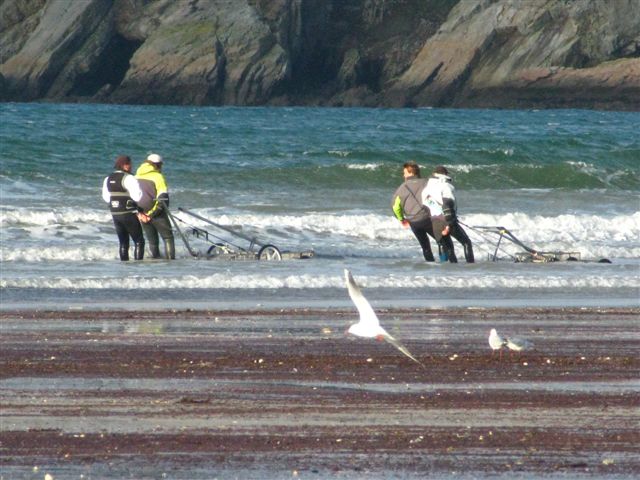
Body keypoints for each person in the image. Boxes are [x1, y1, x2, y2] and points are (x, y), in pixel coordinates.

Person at [422, 165, 474, 263]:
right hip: (447, 220)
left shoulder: (426, 189)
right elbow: (447, 205)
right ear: (444, 175)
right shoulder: (445, 186)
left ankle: (448, 271)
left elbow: (426, 206)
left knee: (447, 247)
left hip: (435, 221)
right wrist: (449, 224)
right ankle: (471, 267)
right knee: (466, 243)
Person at [102, 155, 145, 261]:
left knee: (123, 242)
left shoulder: (108, 178)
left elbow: (106, 198)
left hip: (115, 213)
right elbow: (137, 196)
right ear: (125, 165)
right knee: (139, 241)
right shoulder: (129, 178)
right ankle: (138, 267)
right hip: (128, 213)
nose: (131, 167)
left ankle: (124, 267)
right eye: (130, 164)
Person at [391, 161, 436, 262]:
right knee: (442, 241)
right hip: (427, 218)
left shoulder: (402, 187)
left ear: (411, 173)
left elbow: (395, 207)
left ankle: (431, 267)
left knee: (425, 246)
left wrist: (401, 219)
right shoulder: (427, 182)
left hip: (413, 221)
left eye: (405, 173)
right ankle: (445, 265)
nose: (403, 175)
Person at [135, 153, 175, 259]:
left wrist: (140, 214)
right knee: (168, 237)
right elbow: (163, 197)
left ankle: (155, 264)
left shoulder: (136, 176)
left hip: (141, 213)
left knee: (152, 241)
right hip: (157, 212)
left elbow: (133, 197)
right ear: (157, 165)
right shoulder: (158, 177)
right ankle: (171, 263)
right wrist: (152, 214)